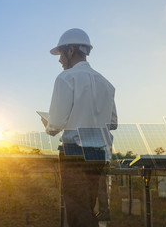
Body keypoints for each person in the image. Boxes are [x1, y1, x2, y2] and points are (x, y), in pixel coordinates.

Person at [42, 28, 117, 227]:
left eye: (61, 54)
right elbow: (114, 123)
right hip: (98, 155)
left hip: (74, 153)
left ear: (72, 50)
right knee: (87, 207)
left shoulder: (65, 78)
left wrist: (48, 123)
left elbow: (55, 126)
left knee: (77, 213)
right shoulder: (107, 84)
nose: (60, 60)